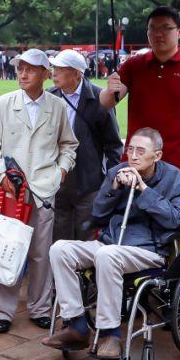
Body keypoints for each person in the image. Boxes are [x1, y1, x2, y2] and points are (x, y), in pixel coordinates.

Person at [43, 128, 180, 358]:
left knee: (107, 255)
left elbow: (178, 221)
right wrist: (113, 189)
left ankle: (110, 333)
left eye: (141, 151)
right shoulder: (117, 172)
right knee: (59, 249)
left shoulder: (176, 180)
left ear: (157, 156)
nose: (133, 155)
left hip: (147, 250)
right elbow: (98, 215)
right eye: (130, 149)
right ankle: (76, 324)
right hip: (110, 243)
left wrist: (143, 189)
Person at [0, 48, 78, 333]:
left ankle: (40, 308)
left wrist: (61, 170)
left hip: (43, 190)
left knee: (40, 253)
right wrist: (0, 176)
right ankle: (1, 312)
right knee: (6, 249)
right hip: (10, 191)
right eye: (20, 68)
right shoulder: (3, 104)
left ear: (45, 74)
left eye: (31, 69)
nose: (23, 74)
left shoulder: (57, 107)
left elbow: (69, 144)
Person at [98, 6, 180, 181]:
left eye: (166, 28)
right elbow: (107, 103)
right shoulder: (133, 66)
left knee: (167, 208)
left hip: (174, 164)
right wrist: (110, 89)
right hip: (135, 162)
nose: (158, 34)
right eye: (152, 29)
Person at [49, 49, 123, 242]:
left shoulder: (99, 98)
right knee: (58, 240)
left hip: (89, 183)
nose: (54, 72)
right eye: (54, 67)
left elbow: (113, 145)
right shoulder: (50, 96)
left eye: (60, 68)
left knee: (86, 239)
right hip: (56, 182)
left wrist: (110, 182)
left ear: (77, 73)